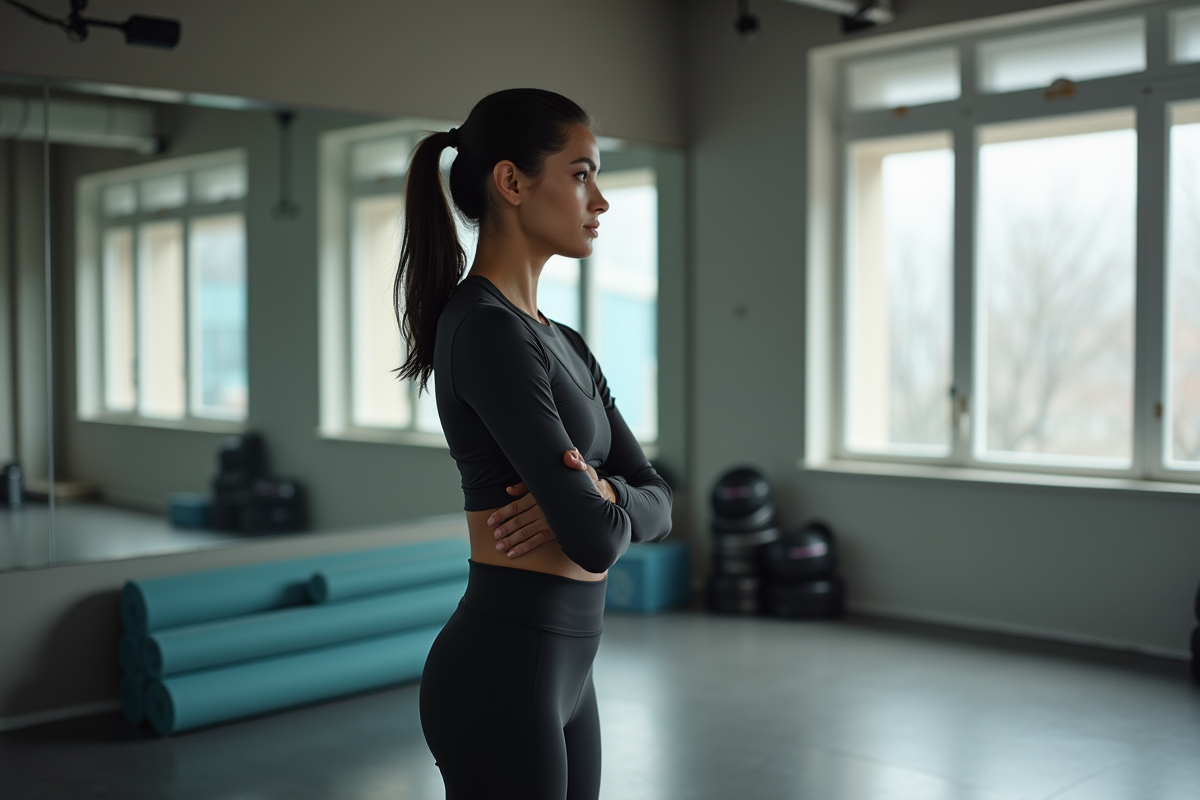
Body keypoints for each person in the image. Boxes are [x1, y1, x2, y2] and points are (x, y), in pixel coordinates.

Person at [394, 88, 674, 800]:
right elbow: (598, 541)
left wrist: (600, 493)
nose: (600, 200)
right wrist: (598, 503)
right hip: (503, 671)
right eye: (581, 174)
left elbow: (659, 501)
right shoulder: (487, 331)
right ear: (512, 182)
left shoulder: (566, 342)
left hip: (567, 673)